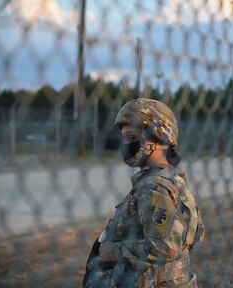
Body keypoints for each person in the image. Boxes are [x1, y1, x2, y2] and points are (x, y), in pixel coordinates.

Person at [83, 98, 205, 288]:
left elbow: (166, 247)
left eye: (132, 138)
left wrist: (115, 251)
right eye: (124, 138)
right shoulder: (174, 179)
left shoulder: (154, 187)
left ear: (159, 138)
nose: (126, 144)